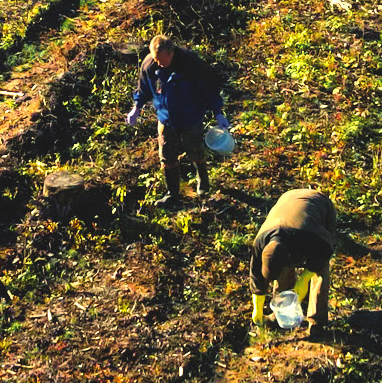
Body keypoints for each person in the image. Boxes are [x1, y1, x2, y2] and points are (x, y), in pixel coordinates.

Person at [127, 35, 227, 206]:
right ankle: (172, 194)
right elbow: (143, 88)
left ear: (171, 53)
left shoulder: (190, 63)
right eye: (156, 60)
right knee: (167, 155)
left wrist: (218, 112)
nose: (159, 64)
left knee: (194, 149)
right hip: (166, 117)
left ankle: (203, 182)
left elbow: (207, 87)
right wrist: (136, 108)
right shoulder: (149, 65)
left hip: (191, 115)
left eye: (162, 60)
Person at [250, 189, 336, 334]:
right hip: (287, 200)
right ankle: (282, 314)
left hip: (318, 205)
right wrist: (257, 309)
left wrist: (303, 281)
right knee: (281, 268)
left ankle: (317, 322)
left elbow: (325, 251)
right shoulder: (260, 243)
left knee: (320, 272)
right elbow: (256, 276)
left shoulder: (312, 236)